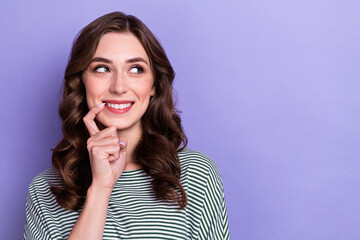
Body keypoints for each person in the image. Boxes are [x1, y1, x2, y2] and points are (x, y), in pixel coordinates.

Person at [23, 11, 229, 240]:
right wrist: (100, 189)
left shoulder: (197, 175)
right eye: (102, 68)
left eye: (135, 69)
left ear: (154, 85)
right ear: (81, 81)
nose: (119, 87)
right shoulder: (45, 190)